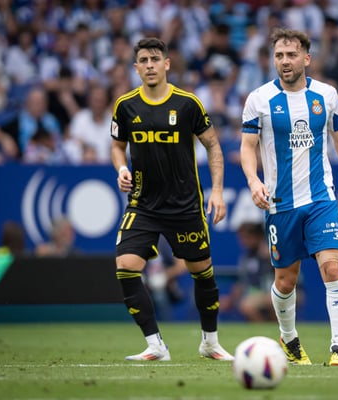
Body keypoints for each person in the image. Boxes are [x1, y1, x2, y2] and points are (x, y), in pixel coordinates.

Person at [240, 28, 338, 366]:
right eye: (279, 55)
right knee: (286, 281)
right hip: (280, 204)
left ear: (306, 59)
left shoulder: (326, 95)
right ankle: (289, 338)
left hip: (320, 199)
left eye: (291, 55)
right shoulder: (259, 99)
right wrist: (253, 181)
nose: (285, 61)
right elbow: (248, 146)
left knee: (332, 267)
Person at [111, 37, 233, 362]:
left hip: (185, 205)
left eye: (155, 59)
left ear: (167, 64)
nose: (149, 65)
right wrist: (121, 168)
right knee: (126, 267)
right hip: (143, 204)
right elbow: (116, 145)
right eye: (143, 60)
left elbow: (213, 145)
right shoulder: (125, 106)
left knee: (202, 271)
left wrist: (217, 190)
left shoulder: (188, 103)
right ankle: (155, 345)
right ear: (136, 67)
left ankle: (210, 342)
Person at [220, 221, 275, 322]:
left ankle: (269, 329)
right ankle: (264, 329)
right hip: (259, 295)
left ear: (258, 237)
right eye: (241, 238)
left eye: (247, 237)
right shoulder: (246, 257)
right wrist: (230, 300)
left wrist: (272, 259)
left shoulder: (272, 252)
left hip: (283, 293)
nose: (243, 241)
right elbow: (241, 283)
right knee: (246, 304)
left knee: (248, 305)